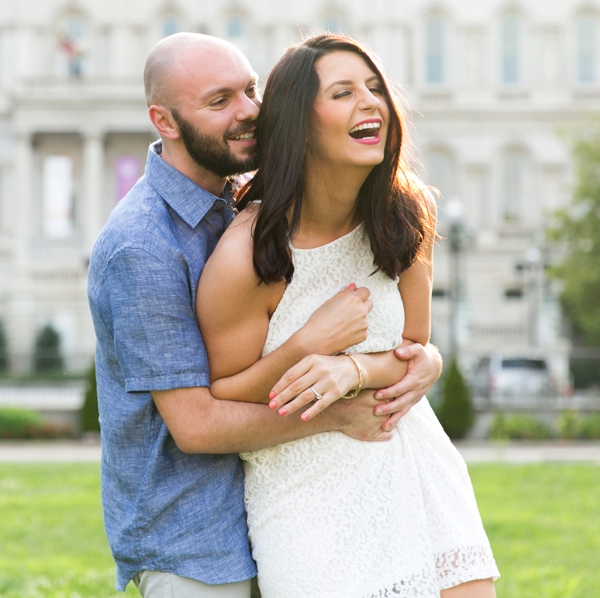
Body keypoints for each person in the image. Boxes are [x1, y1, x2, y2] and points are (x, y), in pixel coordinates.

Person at [87, 32, 444, 598]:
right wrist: (333, 407)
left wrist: (423, 359)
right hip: (195, 540)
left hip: (289, 508)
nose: (250, 111)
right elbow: (196, 425)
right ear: (165, 121)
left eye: (250, 90)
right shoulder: (142, 246)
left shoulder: (249, 204)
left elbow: (402, 328)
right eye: (219, 101)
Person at [196, 34, 500, 598]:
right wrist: (307, 346)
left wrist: (353, 370)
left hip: (412, 466)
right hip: (304, 498)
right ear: (300, 124)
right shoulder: (248, 254)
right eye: (343, 93)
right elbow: (223, 393)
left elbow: (413, 352)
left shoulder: (408, 214)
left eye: (375, 88)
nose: (371, 103)